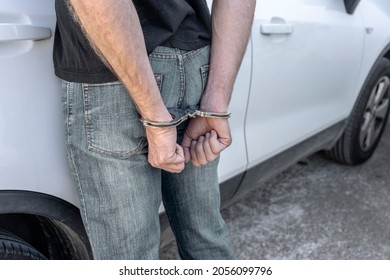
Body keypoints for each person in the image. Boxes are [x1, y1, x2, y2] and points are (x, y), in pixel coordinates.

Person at [54, 0, 256, 259]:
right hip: (194, 62)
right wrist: (216, 101)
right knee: (206, 236)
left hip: (114, 71)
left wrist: (157, 118)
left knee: (131, 259)